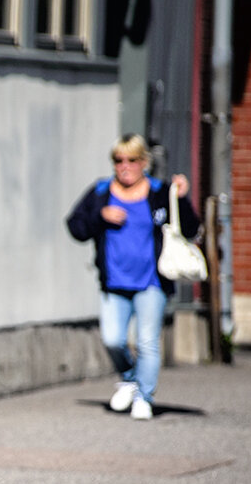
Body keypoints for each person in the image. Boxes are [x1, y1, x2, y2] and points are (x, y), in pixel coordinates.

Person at [65, 134, 202, 420]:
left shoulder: (160, 192)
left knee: (147, 342)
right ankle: (129, 378)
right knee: (113, 339)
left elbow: (190, 229)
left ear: (144, 162)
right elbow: (76, 227)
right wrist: (100, 216)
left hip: (152, 282)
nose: (124, 166)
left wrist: (182, 199)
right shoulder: (101, 192)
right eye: (118, 160)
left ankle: (144, 397)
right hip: (114, 282)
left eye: (131, 160)